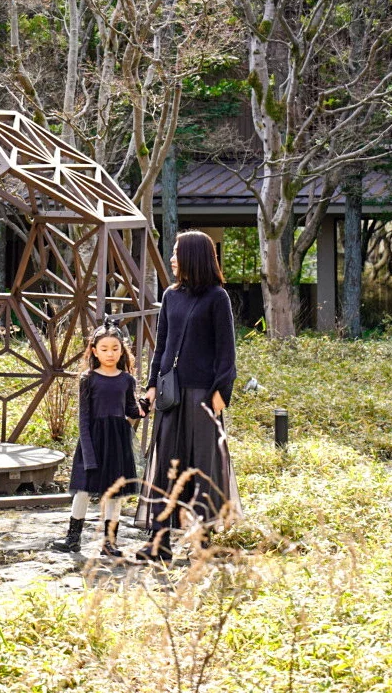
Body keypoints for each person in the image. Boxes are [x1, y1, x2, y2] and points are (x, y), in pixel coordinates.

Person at [135, 229, 241, 563]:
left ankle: (203, 542)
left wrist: (222, 391)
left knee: (203, 465)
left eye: (177, 252)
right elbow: (161, 344)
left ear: (193, 256)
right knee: (166, 463)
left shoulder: (217, 297)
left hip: (203, 396)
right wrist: (152, 384)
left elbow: (227, 351)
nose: (172, 258)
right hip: (171, 393)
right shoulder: (170, 295)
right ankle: (159, 542)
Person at [51, 324, 145, 556]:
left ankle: (110, 543)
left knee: (115, 493)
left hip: (118, 440)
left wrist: (144, 405)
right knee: (83, 490)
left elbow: (132, 411)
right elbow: (84, 418)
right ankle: (72, 539)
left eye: (115, 348)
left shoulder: (127, 380)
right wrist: (89, 452)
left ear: (122, 351)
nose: (110, 353)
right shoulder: (88, 379)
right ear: (94, 351)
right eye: (104, 349)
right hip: (91, 439)